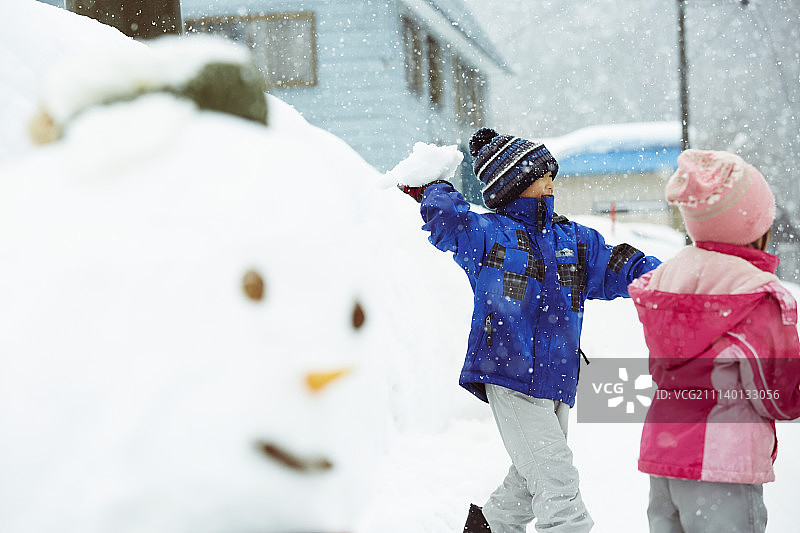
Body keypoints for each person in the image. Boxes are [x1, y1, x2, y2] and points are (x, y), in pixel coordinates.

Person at [394, 128, 661, 533]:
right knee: (558, 484)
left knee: (529, 475)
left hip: (556, 379)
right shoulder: (487, 235)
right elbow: (447, 222)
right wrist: (434, 185)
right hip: (509, 374)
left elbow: (618, 265)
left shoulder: (573, 240)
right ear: (514, 182)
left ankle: (490, 527)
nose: (551, 180)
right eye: (541, 173)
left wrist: (669, 276)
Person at [628, 149, 800, 533]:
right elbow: (780, 397)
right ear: (759, 228)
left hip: (663, 453)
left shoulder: (667, 281)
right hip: (723, 465)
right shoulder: (758, 296)